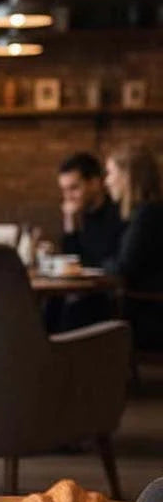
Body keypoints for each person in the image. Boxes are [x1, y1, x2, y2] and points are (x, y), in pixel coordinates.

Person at [47, 151, 125, 332]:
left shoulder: (118, 213)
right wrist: (70, 225)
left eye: (74, 188)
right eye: (64, 190)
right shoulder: (82, 216)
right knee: (49, 306)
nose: (68, 197)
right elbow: (72, 262)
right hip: (87, 290)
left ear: (95, 183)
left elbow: (103, 259)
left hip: (111, 296)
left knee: (70, 311)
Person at [104, 143, 163, 350]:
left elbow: (123, 267)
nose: (107, 181)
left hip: (148, 316)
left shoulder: (146, 216)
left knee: (80, 310)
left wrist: (103, 265)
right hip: (145, 309)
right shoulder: (147, 213)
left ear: (127, 176)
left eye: (110, 173)